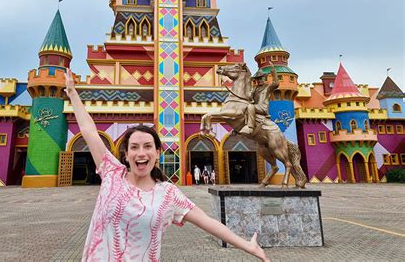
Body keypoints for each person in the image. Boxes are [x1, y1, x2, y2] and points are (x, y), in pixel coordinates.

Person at [64, 69, 269, 262]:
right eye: (134, 147)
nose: (141, 153)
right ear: (126, 154)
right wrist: (73, 94)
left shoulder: (168, 194)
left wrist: (248, 247)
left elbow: (207, 222)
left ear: (157, 153)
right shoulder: (111, 173)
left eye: (147, 146)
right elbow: (89, 130)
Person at [240, 62, 279, 135]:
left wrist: (273, 71)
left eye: (260, 78)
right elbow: (249, 96)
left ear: (264, 78)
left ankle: (250, 127)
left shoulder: (268, 87)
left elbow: (276, 83)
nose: (259, 80)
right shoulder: (255, 88)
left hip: (262, 108)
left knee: (250, 106)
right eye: (257, 79)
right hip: (256, 107)